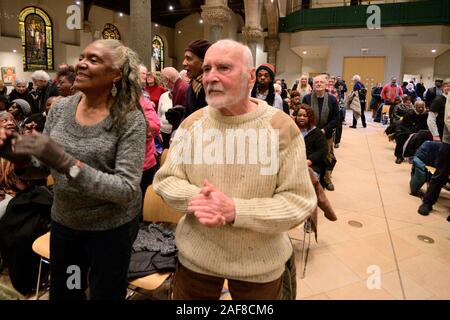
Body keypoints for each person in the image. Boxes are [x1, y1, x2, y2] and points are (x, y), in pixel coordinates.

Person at [152, 39, 316, 300]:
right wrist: (198, 200)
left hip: (258, 266)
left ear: (251, 77)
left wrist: (235, 210)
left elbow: (298, 201)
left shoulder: (281, 127)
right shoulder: (192, 124)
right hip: (197, 260)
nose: (211, 78)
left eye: (223, 68)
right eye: (206, 69)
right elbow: (166, 179)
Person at [1, 39, 147, 300]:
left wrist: (65, 161)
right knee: (68, 291)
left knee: (104, 295)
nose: (81, 63)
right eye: (82, 57)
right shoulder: (61, 109)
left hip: (110, 231)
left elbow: (125, 189)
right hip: (66, 226)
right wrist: (16, 157)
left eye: (93, 60)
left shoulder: (129, 118)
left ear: (114, 74)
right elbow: (42, 168)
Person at [418, 79, 450, 216]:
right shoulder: (439, 99)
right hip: (446, 141)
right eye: (447, 85)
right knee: (440, 173)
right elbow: (433, 119)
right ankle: (428, 201)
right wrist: (436, 135)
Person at [302, 75, 339, 191]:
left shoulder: (332, 100)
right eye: (316, 82)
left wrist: (325, 129)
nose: (318, 84)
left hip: (325, 133)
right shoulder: (307, 98)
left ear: (326, 85)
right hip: (309, 133)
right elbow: (303, 114)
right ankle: (308, 178)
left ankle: (327, 179)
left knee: (327, 156)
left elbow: (336, 118)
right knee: (310, 155)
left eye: (321, 82)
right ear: (312, 85)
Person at [293, 104, 328, 177]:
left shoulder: (317, 132)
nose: (302, 118)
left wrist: (309, 161)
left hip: (312, 165)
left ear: (310, 117)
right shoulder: (291, 130)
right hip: (293, 163)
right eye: (299, 115)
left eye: (305, 116)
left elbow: (322, 151)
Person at [183, 39, 212, 117]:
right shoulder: (191, 88)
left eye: (189, 58)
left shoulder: (215, 87)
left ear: (203, 62)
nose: (184, 63)